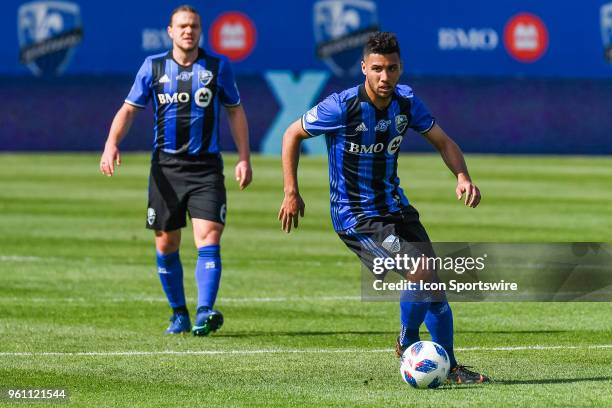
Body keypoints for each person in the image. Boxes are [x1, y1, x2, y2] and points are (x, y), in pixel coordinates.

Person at [278, 32, 489, 383]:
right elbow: (291, 134)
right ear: (363, 67)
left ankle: (450, 367)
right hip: (357, 216)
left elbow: (444, 141)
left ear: (400, 68)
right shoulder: (342, 106)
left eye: (391, 69)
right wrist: (291, 191)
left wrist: (463, 175)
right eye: (377, 68)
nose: (384, 77)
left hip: (396, 208)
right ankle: (407, 342)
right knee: (421, 269)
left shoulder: (406, 104)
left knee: (435, 287)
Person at [100, 5, 252, 336]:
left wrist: (244, 157)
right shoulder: (153, 67)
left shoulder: (217, 67)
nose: (188, 31)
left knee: (209, 236)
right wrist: (112, 143)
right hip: (165, 169)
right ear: (170, 31)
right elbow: (128, 110)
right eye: (182, 26)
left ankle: (204, 312)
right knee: (166, 242)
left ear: (201, 31)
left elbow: (235, 111)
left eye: (194, 26)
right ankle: (179, 313)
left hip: (206, 168)